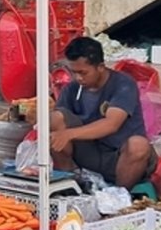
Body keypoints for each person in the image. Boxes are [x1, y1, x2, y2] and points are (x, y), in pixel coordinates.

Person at [52, 37, 155, 189]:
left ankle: (119, 195)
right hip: (89, 155)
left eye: (83, 72)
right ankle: (68, 184)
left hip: (119, 157)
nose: (78, 78)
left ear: (100, 67)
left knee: (139, 145)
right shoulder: (72, 89)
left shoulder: (123, 85)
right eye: (74, 72)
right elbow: (58, 122)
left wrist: (69, 134)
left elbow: (111, 124)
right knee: (55, 119)